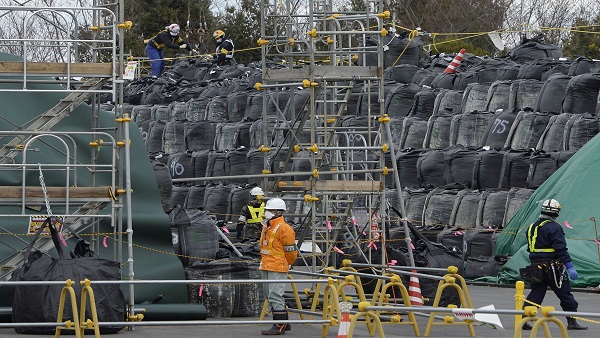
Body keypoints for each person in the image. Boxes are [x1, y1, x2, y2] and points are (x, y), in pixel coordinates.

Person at [521, 199, 587, 330]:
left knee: (536, 293)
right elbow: (561, 249)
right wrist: (569, 265)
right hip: (552, 267)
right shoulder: (554, 227)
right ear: (556, 213)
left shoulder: (532, 226)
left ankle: (524, 321)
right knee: (565, 293)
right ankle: (572, 322)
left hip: (535, 266)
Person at [259, 198, 297, 335]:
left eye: (270, 210)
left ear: (279, 212)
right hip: (266, 264)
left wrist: (286, 263)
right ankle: (284, 323)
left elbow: (291, 252)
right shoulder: (266, 226)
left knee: (275, 295)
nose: (267, 212)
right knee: (269, 295)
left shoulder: (285, 228)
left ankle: (279, 324)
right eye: (267, 210)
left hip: (277, 265)